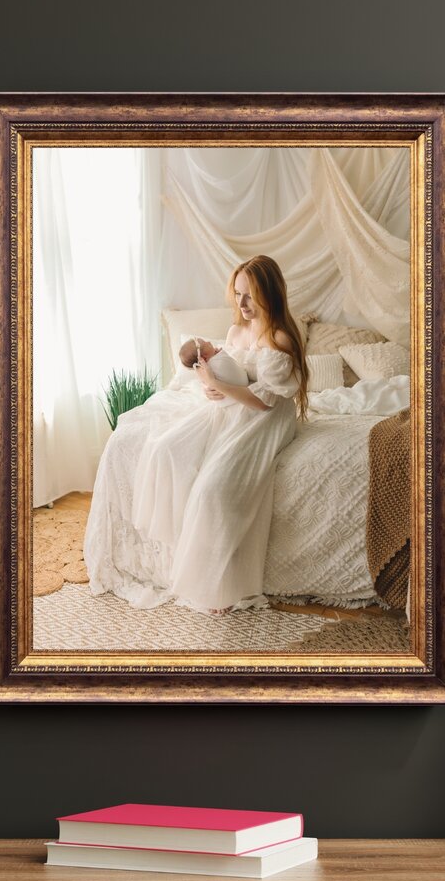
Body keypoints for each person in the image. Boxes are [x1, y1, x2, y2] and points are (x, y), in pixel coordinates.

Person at [84, 254, 308, 615]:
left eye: (250, 295)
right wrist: (211, 388)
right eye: (237, 294)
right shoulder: (235, 332)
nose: (242, 304)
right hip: (232, 406)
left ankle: (219, 583)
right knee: (166, 448)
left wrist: (216, 383)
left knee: (213, 489)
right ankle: (169, 552)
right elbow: (230, 377)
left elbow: (263, 402)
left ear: (271, 293)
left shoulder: (279, 338)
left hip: (264, 416)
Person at [177, 337, 249, 406]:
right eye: (205, 343)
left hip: (239, 393)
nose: (209, 342)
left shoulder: (205, 369)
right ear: (204, 357)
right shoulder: (214, 365)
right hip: (240, 391)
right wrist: (220, 353)